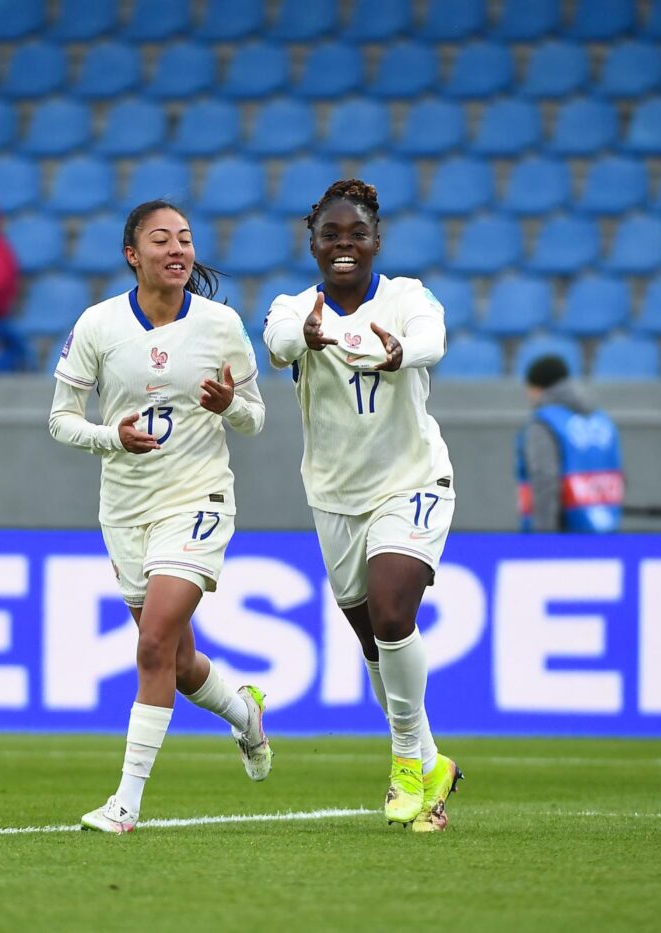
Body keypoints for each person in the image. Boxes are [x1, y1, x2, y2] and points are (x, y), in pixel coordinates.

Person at [50, 200, 271, 834]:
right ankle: (246, 714)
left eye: (185, 239)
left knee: (151, 645)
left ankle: (125, 804)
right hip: (125, 509)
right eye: (161, 240)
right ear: (132, 254)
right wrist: (111, 438)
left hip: (197, 500)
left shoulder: (221, 324)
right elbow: (60, 419)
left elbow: (255, 419)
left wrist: (230, 406)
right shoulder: (97, 325)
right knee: (174, 661)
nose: (177, 250)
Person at [263, 179, 462, 832]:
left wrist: (403, 354)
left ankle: (404, 761)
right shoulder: (295, 307)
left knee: (393, 612)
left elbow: (433, 339)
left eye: (357, 234)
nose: (344, 245)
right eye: (331, 235)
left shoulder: (406, 298)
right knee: (374, 643)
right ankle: (432, 763)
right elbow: (279, 342)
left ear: (377, 241)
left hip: (412, 481)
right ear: (313, 244)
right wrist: (306, 336)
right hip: (335, 498)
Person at [518, 355, 623, 533]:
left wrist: (541, 539)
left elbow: (545, 481)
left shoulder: (544, 423)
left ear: (537, 388)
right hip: (606, 532)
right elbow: (620, 477)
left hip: (564, 537)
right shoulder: (603, 421)